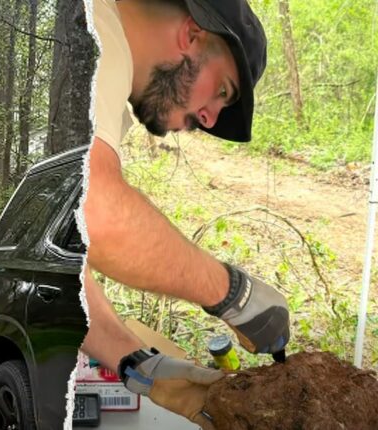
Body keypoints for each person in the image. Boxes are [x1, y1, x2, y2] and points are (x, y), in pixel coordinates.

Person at [79, 1, 290, 427]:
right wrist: (233, 294)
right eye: (224, 91)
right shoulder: (95, 34)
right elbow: (93, 209)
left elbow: (57, 262)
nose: (210, 118)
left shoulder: (107, 93)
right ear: (193, 34)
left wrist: (143, 367)